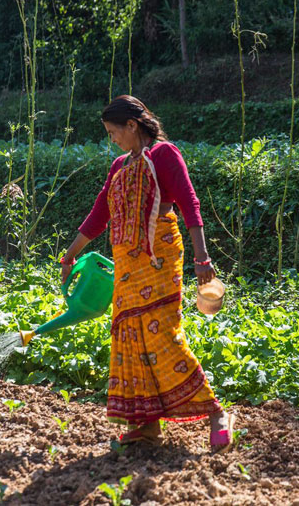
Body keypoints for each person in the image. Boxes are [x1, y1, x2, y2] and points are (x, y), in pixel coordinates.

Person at [60, 95, 235, 454]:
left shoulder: (165, 155)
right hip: (127, 267)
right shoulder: (119, 166)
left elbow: (189, 202)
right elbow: (99, 216)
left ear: (132, 126)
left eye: (114, 132)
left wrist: (202, 258)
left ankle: (216, 413)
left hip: (159, 258)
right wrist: (69, 256)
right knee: (131, 340)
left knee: (162, 338)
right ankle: (148, 424)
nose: (113, 139)